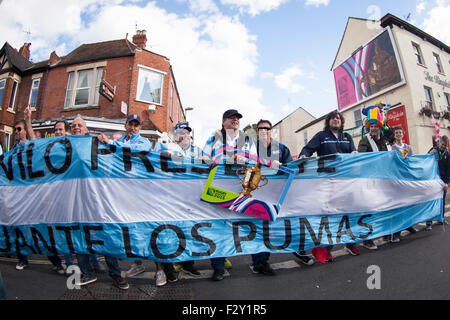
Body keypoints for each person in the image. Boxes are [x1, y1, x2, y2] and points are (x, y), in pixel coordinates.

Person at [99, 114, 178, 287]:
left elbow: (128, 151)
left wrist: (109, 143)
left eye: (136, 125)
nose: (133, 127)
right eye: (130, 124)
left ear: (140, 128)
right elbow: (114, 148)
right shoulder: (119, 142)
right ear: (125, 125)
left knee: (149, 229)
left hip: (142, 194)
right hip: (124, 194)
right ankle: (138, 264)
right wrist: (104, 140)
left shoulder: (142, 142)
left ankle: (159, 271)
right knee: (131, 230)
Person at [294, 110, 360, 263]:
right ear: (328, 121)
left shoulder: (347, 136)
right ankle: (325, 248)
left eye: (338, 118)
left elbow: (353, 152)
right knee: (331, 216)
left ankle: (350, 244)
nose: (336, 120)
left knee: (350, 213)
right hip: (328, 183)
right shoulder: (321, 136)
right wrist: (304, 155)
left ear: (341, 121)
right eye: (333, 118)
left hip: (347, 182)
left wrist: (355, 152)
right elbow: (308, 149)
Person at [72, 116, 129, 290]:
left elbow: (117, 154)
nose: (76, 128)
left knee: (105, 235)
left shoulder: (95, 142)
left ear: (85, 128)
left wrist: (107, 141)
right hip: (76, 200)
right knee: (80, 236)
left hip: (97, 199)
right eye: (73, 126)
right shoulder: (67, 145)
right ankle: (87, 272)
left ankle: (115, 273)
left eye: (79, 125)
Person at [202, 109, 257, 281]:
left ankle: (261, 262)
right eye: (231, 118)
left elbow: (255, 160)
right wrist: (221, 160)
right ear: (223, 121)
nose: (235, 120)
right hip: (220, 186)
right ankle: (218, 267)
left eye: (238, 118)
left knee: (249, 224)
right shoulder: (213, 138)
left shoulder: (247, 139)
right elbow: (204, 158)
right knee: (218, 227)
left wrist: (244, 160)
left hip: (241, 187)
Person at [154, 123, 203, 277]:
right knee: (168, 232)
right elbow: (150, 161)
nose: (185, 136)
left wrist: (205, 159)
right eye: (181, 132)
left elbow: (208, 165)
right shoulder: (163, 145)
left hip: (190, 198)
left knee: (188, 231)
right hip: (168, 197)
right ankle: (168, 268)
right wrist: (164, 155)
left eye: (187, 133)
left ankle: (188, 264)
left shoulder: (197, 151)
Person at [250, 119, 292, 276]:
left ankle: (264, 258)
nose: (263, 130)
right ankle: (259, 262)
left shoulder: (281, 148)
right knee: (256, 227)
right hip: (256, 193)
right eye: (260, 128)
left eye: (266, 128)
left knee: (270, 229)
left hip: (274, 195)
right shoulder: (250, 149)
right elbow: (244, 166)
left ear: (271, 131)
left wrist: (281, 165)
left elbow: (290, 167)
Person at [358, 121, 392, 249]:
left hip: (384, 179)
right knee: (370, 209)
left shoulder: (385, 140)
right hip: (370, 180)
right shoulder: (365, 140)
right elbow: (361, 157)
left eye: (376, 126)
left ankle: (385, 233)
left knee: (384, 207)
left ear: (380, 128)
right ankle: (368, 239)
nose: (373, 128)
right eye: (371, 126)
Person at [388, 126, 417, 240]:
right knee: (398, 205)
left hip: (406, 179)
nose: (399, 134)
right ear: (394, 135)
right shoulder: (392, 148)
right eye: (397, 133)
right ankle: (397, 229)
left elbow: (412, 161)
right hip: (396, 179)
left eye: (400, 132)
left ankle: (409, 225)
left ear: (403, 134)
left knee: (408, 203)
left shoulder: (408, 148)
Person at [426, 135, 450, 231]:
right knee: (431, 201)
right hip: (432, 180)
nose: (443, 146)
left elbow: (449, 170)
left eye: (445, 145)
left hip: (442, 181)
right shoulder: (434, 150)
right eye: (442, 144)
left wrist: (447, 183)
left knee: (442, 201)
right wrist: (430, 153)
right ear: (439, 142)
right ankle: (428, 222)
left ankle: (441, 218)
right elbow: (425, 160)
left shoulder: (448, 155)